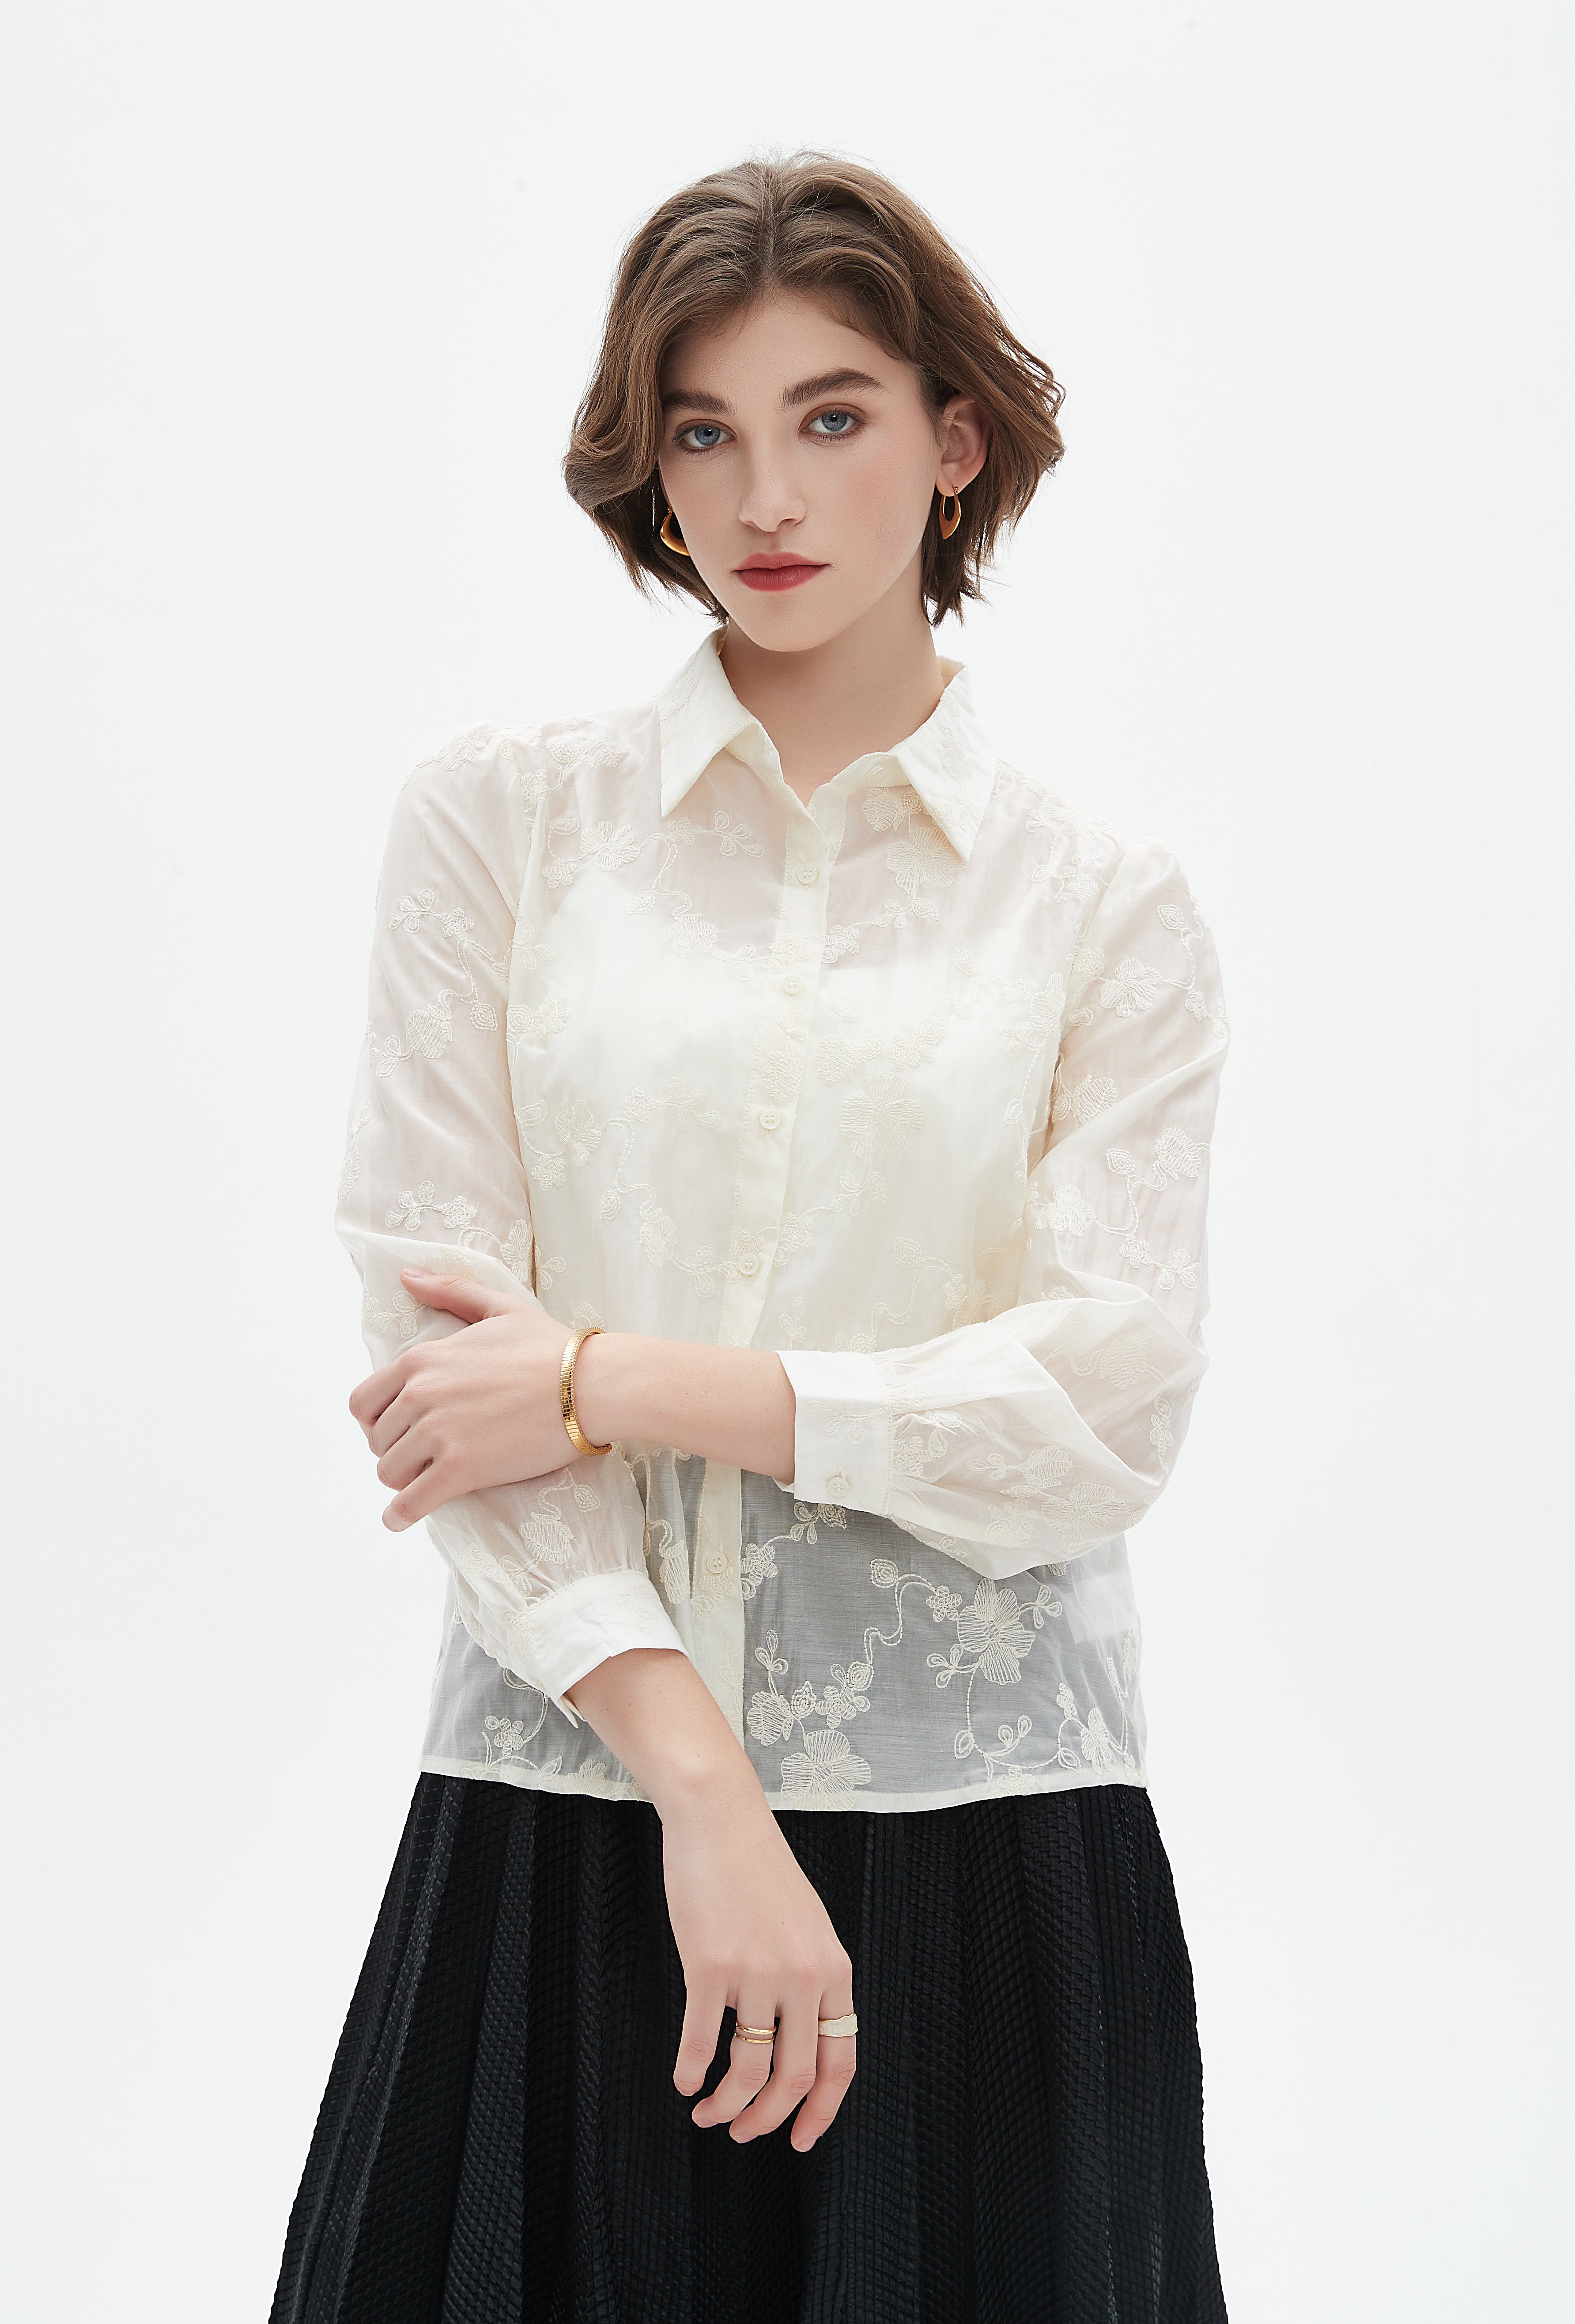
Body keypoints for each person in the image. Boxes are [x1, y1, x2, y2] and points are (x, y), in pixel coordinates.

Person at [271, 152, 1231, 2324]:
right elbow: (441, 1371)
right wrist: (704, 1795)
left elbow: (1097, 1411)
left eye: (831, 415)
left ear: (955, 441)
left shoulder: (1101, 903)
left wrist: (606, 1379)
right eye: (701, 431)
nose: (761, 495)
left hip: (989, 1846)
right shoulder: (505, 822)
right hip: (567, 1806)